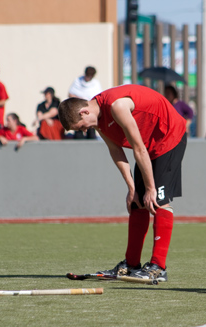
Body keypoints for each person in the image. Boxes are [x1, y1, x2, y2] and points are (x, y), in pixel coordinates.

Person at [59, 84, 187, 282]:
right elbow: (116, 150)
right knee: (137, 203)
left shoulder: (117, 106)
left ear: (84, 111)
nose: (85, 131)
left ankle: (158, 268)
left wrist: (151, 188)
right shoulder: (98, 120)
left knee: (158, 201)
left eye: (82, 126)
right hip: (148, 145)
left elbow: (138, 148)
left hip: (168, 137)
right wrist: (132, 188)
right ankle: (131, 264)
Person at [68, 66, 102, 139]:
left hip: (90, 111)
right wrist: (81, 101)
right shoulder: (77, 81)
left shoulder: (96, 84)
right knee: (78, 133)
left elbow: (99, 97)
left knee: (91, 133)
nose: (88, 78)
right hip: (78, 110)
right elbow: (71, 94)